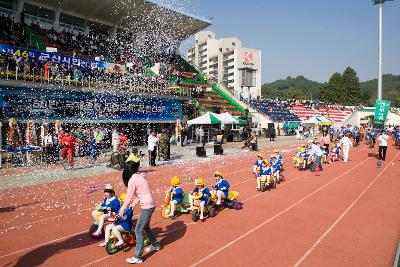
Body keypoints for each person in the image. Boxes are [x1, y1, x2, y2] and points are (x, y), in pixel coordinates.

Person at [120, 157, 161, 264]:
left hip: (147, 207)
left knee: (138, 230)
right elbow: (140, 195)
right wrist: (132, 206)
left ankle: (138, 257)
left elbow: (128, 197)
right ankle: (156, 245)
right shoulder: (140, 176)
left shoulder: (132, 180)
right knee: (146, 226)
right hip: (150, 205)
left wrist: (122, 210)